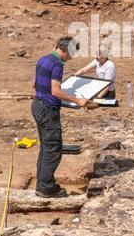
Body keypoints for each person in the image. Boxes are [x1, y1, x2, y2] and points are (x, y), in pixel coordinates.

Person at [32, 36, 91, 198]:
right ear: (65, 50)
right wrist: (77, 100)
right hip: (48, 110)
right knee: (53, 148)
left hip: (38, 105)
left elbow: (34, 84)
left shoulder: (43, 59)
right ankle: (46, 187)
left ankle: (42, 183)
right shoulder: (57, 64)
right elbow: (56, 91)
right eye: (71, 54)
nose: (71, 57)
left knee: (46, 146)